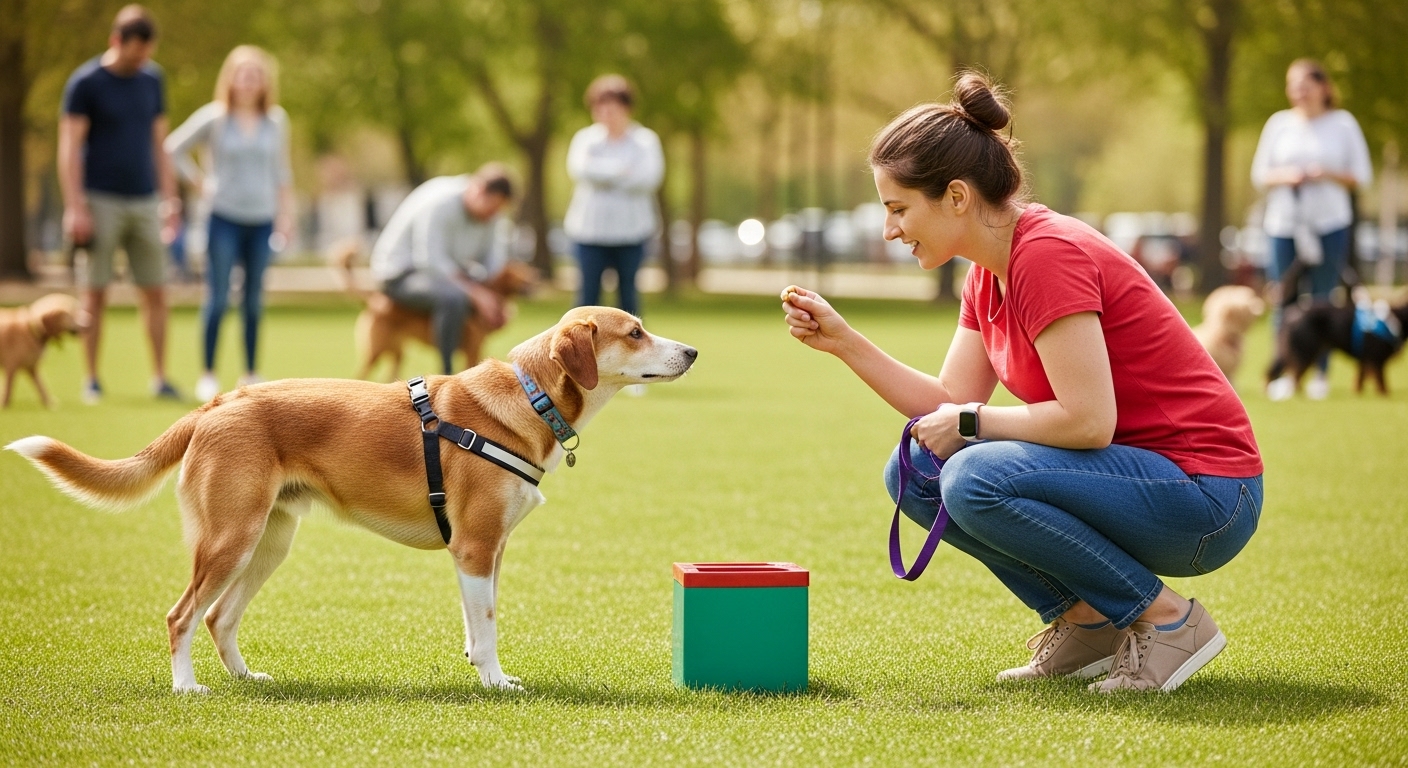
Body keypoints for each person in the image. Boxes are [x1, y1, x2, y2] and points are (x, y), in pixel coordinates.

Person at [781, 73, 1264, 693]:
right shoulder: (987, 275)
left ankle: (1168, 620)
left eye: (898, 208)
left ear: (956, 196)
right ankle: (1088, 621)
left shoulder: (1046, 255)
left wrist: (970, 424)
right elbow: (949, 402)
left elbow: (1088, 422)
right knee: (915, 474)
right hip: (1139, 478)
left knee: (973, 475)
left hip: (1207, 497)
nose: (890, 230)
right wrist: (844, 343)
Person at [59, 4, 182, 403]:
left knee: (156, 291)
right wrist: (74, 206)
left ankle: (160, 377)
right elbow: (70, 147)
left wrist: (171, 197)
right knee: (95, 292)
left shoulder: (152, 79)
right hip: (100, 199)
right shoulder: (86, 83)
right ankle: (91, 379)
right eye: (135, 52)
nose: (142, 60)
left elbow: (159, 144)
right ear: (116, 41)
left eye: (147, 53)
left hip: (145, 199)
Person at [166, 45, 294, 402]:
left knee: (253, 301)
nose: (249, 80)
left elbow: (281, 171)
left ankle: (251, 372)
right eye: (243, 73)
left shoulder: (277, 120)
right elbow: (171, 147)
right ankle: (207, 373)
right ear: (231, 78)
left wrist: (286, 215)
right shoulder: (215, 118)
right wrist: (200, 182)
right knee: (218, 298)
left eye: (256, 74)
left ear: (264, 81)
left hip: (262, 220)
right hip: (222, 219)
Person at [1252, 58, 1373, 401]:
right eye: (1293, 85)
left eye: (1305, 84)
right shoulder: (1279, 124)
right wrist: (1288, 176)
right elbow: (1261, 174)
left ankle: (1319, 372)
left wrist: (1326, 173)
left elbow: (1360, 176)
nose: (1298, 92)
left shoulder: (1343, 124)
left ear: (1323, 87)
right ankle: (1284, 373)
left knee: (1323, 302)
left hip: (1328, 225)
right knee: (1284, 301)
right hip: (1285, 225)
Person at [369, 164, 514, 375]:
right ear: (479, 190)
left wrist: (494, 298)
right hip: (400, 274)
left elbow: (493, 262)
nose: (492, 217)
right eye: (491, 209)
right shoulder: (439, 201)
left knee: (463, 295)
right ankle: (447, 375)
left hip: (443, 275)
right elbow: (429, 261)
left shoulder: (491, 217)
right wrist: (476, 294)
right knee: (453, 297)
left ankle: (473, 371)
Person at [564, 74, 664, 318]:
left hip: (631, 233)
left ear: (626, 108)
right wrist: (621, 169)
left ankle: (631, 354)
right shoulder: (585, 139)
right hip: (589, 233)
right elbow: (580, 170)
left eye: (613, 106)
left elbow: (648, 178)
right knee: (586, 300)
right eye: (600, 107)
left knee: (628, 300)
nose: (606, 113)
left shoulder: (645, 141)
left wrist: (601, 172)